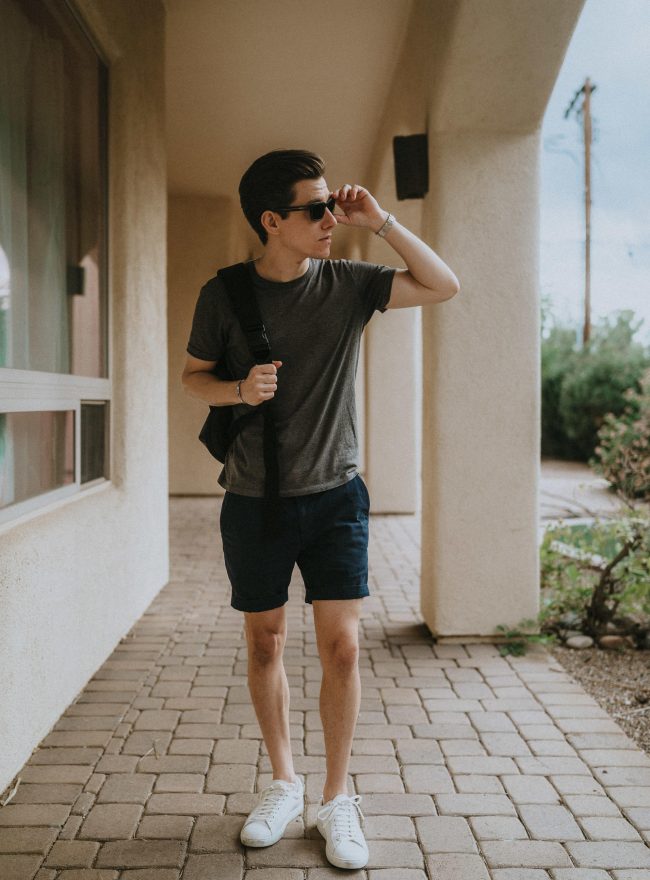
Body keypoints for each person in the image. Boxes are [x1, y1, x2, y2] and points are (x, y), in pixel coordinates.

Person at [181, 149, 459, 870]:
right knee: (265, 644)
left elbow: (443, 284)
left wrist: (383, 220)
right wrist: (240, 391)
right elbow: (194, 378)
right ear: (272, 221)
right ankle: (284, 784)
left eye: (331, 204)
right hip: (255, 499)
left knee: (343, 648)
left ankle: (337, 800)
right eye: (316, 209)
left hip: (337, 495)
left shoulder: (348, 284)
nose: (330, 218)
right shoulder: (225, 293)